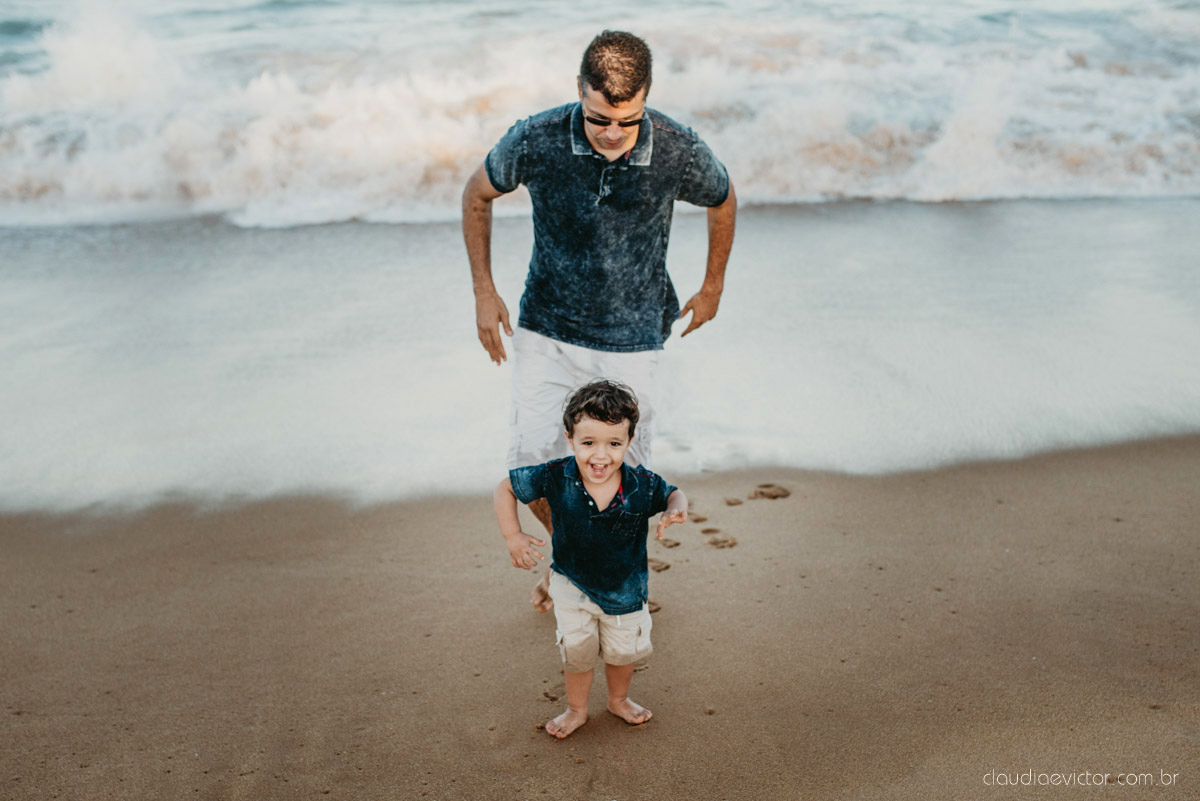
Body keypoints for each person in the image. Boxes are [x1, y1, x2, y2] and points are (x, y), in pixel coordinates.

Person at [463, 29, 736, 613]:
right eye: (598, 119)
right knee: (533, 463)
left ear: (646, 100)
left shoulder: (677, 147)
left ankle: (601, 582)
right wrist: (485, 291)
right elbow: (476, 193)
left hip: (634, 335)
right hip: (547, 327)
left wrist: (712, 286)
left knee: (620, 477)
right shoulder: (535, 139)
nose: (613, 133)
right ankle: (574, 563)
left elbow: (723, 197)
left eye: (628, 121)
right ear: (579, 91)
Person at [494, 379, 688, 738]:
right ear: (570, 439)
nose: (601, 455)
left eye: (614, 444)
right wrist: (513, 535)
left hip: (626, 591)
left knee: (621, 654)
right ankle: (576, 709)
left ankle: (618, 700)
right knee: (577, 653)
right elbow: (506, 487)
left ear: (630, 442)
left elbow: (675, 493)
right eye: (588, 443)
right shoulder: (556, 475)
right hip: (570, 584)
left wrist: (674, 510)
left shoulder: (641, 485)